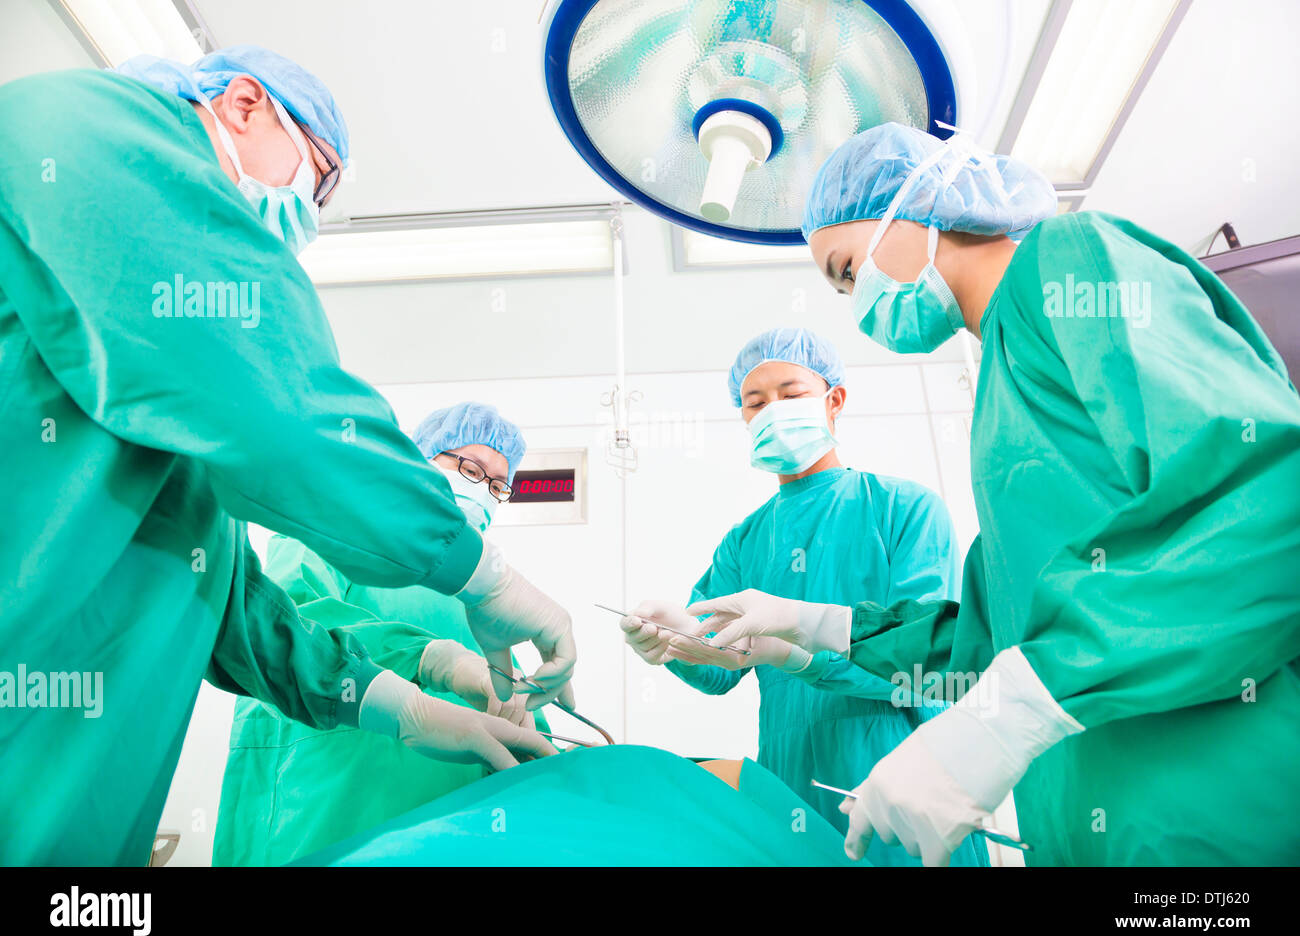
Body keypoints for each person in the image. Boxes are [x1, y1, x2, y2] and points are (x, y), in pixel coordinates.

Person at [0, 48, 573, 865]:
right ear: (242, 104)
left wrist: (395, 704)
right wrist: (483, 576)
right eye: (319, 177)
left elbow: (234, 607)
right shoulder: (84, 124)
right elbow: (285, 412)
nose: (309, 213)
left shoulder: (169, 410)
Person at [684, 122, 1300, 866]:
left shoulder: (1066, 263)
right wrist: (817, 624)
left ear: (916, 205)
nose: (859, 300)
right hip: (1092, 824)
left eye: (849, 270)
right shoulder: (998, 400)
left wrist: (1009, 716)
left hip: (1215, 804)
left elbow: (1269, 500)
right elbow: (991, 633)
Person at [620, 327, 988, 866]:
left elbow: (928, 663)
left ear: (833, 400)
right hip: (789, 780)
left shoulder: (904, 508)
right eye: (755, 402)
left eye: (792, 395)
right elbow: (720, 669)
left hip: (901, 771)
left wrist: (800, 658)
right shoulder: (745, 541)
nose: (773, 411)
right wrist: (675, 640)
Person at [215, 403, 554, 866]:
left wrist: (549, 749)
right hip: (330, 799)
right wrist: (429, 659)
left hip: (449, 824)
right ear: (422, 460)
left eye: (498, 485)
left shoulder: (478, 596)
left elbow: (506, 701)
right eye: (471, 469)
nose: (485, 494)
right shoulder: (337, 524)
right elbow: (288, 622)